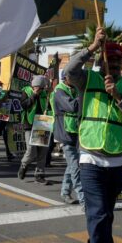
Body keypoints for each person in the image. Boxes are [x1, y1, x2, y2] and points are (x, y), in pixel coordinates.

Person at [67, 28, 122, 243]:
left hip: (117, 161)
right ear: (101, 60)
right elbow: (69, 70)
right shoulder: (87, 79)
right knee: (98, 212)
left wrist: (118, 97)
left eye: (118, 60)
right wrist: (91, 47)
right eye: (109, 59)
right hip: (90, 158)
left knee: (105, 213)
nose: (114, 63)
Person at [52, 69, 83, 206]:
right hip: (66, 133)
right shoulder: (59, 91)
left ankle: (65, 192)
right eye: (73, 77)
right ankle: (84, 200)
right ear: (65, 78)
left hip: (76, 132)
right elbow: (72, 106)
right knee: (76, 167)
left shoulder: (75, 89)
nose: (76, 79)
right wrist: (84, 95)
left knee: (72, 165)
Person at [17, 75, 50, 184]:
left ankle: (39, 175)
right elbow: (24, 105)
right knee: (31, 150)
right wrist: (34, 95)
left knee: (42, 151)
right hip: (30, 124)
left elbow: (50, 106)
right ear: (35, 87)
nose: (41, 90)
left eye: (42, 89)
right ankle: (24, 164)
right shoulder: (26, 92)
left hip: (43, 123)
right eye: (40, 89)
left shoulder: (46, 94)